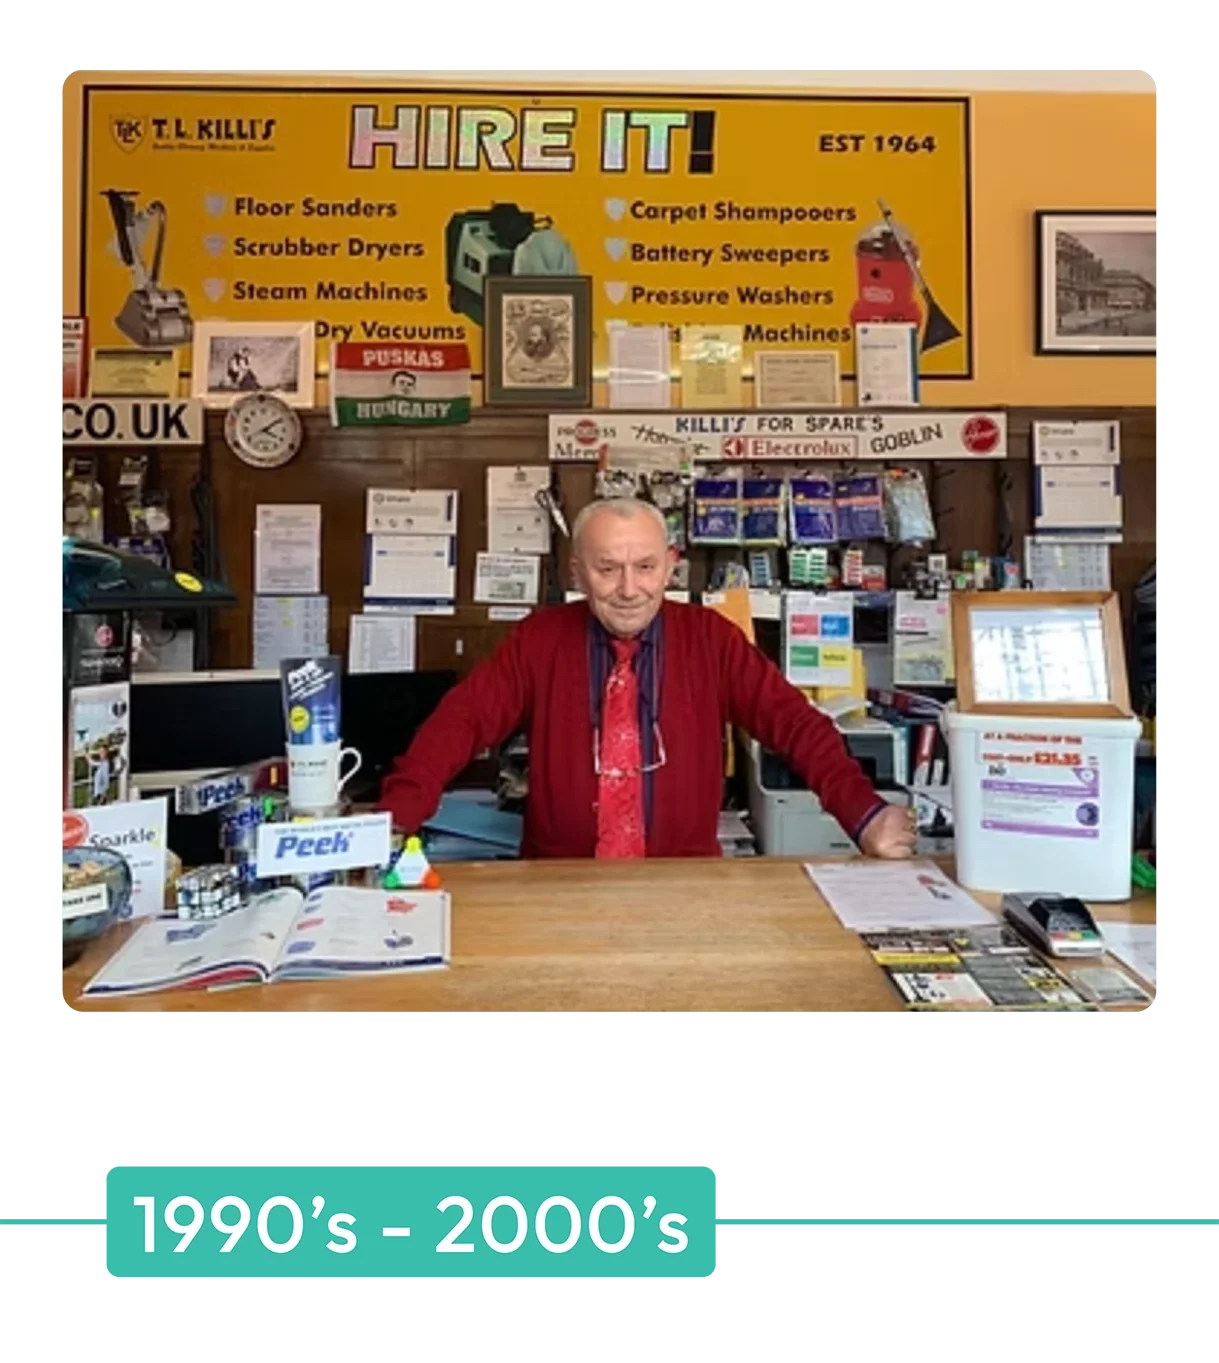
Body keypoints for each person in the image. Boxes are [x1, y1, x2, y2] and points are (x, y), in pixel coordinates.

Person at [377, 498, 917, 860]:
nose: (629, 589)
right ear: (576, 571)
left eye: (646, 567)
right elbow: (460, 723)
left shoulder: (712, 639)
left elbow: (796, 726)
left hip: (684, 890)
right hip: (556, 888)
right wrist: (394, 819)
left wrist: (864, 813)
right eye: (607, 569)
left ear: (671, 565)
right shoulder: (538, 639)